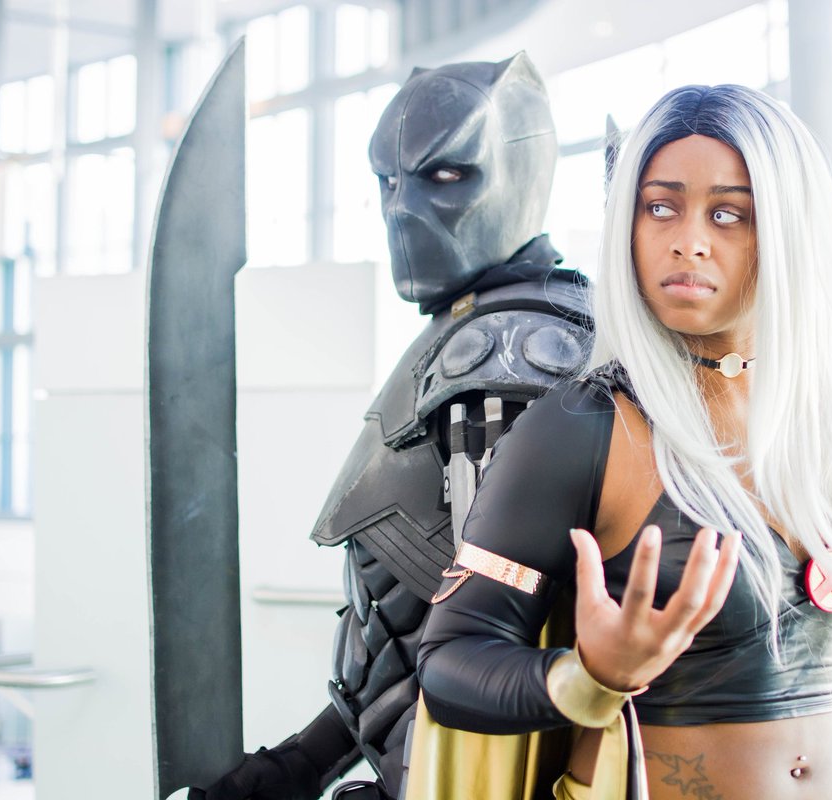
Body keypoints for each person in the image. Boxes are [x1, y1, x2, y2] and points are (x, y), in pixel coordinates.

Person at [414, 84, 832, 800]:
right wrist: (590, 676)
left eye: (728, 213)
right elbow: (449, 664)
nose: (688, 240)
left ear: (789, 230)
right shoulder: (586, 426)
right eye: (660, 207)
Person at [191, 53, 592, 800]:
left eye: (446, 175)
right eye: (388, 181)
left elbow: (492, 649)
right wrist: (303, 764)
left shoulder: (505, 355)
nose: (403, 210)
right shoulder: (468, 331)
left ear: (521, 170)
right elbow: (407, 633)